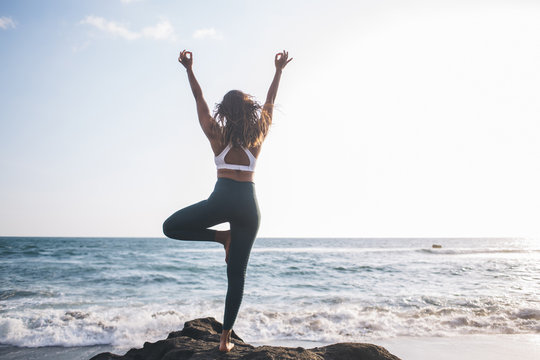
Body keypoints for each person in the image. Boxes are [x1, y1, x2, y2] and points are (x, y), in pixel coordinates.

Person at [163, 49, 292, 352]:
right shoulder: (258, 136)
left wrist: (189, 69)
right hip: (249, 206)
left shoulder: (215, 134)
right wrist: (278, 71)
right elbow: (270, 102)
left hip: (220, 201)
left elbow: (199, 100)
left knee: (170, 227)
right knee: (237, 275)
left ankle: (221, 236)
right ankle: (225, 341)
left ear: (226, 110)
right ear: (249, 110)